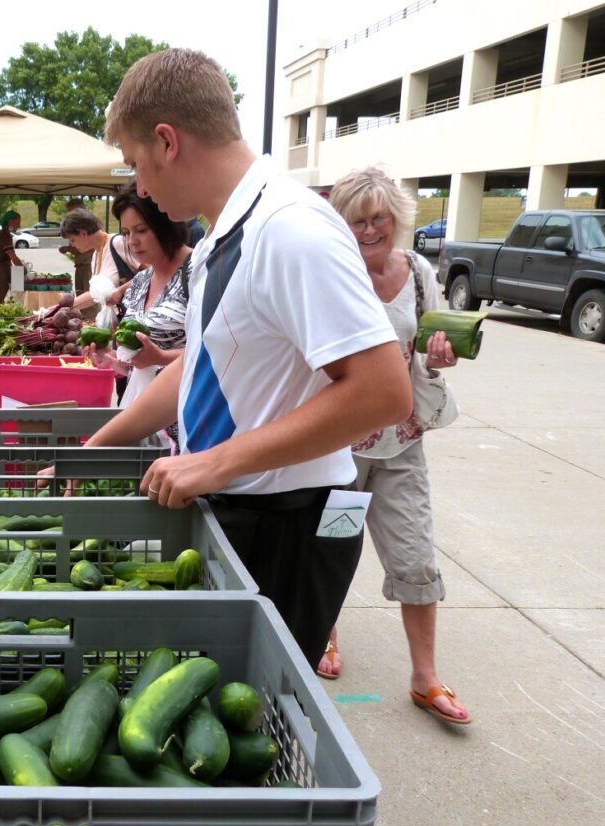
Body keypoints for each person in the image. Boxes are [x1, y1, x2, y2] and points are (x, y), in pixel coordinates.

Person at [85, 48, 413, 669]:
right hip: (243, 512)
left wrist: (215, 462)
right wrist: (91, 448)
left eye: (136, 165)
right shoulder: (224, 235)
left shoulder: (291, 229)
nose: (142, 187)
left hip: (290, 525)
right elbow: (198, 369)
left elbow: (383, 391)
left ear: (167, 141)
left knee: (255, 721)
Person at [319, 167, 471, 724]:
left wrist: (438, 357)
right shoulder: (332, 275)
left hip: (401, 442)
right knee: (333, 547)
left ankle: (425, 677)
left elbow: (434, 346)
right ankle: (323, 635)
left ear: (396, 219)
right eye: (356, 220)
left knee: (415, 554)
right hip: (339, 449)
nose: (368, 229)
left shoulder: (419, 272)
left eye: (378, 217)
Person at [85, 182, 191, 434]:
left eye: (141, 230)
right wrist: (112, 360)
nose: (132, 241)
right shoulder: (140, 282)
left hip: (189, 426)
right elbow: (137, 364)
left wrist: (163, 358)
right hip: (146, 426)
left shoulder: (201, 271)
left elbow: (223, 351)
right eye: (126, 232)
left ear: (167, 224)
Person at [63, 208, 140, 312]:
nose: (72, 244)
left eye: (72, 240)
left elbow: (151, 271)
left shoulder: (117, 242)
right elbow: (95, 295)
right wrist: (61, 308)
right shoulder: (95, 255)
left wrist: (121, 291)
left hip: (136, 317)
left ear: (83, 234)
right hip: (120, 320)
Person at [58, 198, 93, 293]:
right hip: (80, 265)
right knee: (80, 294)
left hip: (88, 265)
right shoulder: (77, 224)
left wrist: (68, 248)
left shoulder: (89, 223)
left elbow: (86, 246)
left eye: (71, 211)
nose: (69, 214)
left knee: (89, 297)